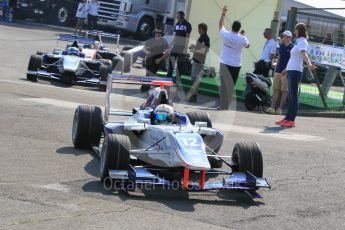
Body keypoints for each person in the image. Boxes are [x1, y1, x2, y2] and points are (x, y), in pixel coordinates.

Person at [276, 23, 316, 127]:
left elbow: (304, 54)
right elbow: (293, 58)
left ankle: (291, 120)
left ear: (300, 30)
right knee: (291, 96)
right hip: (291, 71)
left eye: (295, 29)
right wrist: (286, 69)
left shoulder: (302, 42)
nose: (294, 31)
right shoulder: (298, 42)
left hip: (296, 72)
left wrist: (310, 64)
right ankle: (287, 118)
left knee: (293, 96)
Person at [218, 5, 250, 110]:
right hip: (236, 65)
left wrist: (223, 13)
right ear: (239, 28)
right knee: (231, 85)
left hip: (224, 63)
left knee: (223, 85)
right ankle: (227, 104)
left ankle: (222, 104)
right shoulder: (242, 38)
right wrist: (243, 36)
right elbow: (248, 45)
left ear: (232, 26)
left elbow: (220, 25)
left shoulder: (225, 34)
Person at [266, 30, 293, 115]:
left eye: (287, 37)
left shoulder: (292, 47)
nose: (285, 38)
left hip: (286, 72)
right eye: (284, 36)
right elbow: (280, 57)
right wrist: (276, 66)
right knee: (275, 90)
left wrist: (286, 69)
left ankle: (280, 109)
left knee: (284, 91)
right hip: (278, 71)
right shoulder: (281, 46)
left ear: (290, 38)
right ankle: (272, 108)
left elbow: (292, 60)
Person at [166, 11, 192, 84]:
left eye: (178, 16)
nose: (176, 17)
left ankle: (177, 79)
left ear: (182, 16)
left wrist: (185, 48)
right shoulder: (177, 24)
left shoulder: (187, 25)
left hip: (182, 47)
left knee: (180, 64)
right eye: (176, 16)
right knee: (171, 61)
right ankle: (169, 77)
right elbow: (175, 36)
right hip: (175, 46)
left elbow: (187, 37)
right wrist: (170, 44)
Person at [188, 23, 210, 103]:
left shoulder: (205, 38)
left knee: (196, 80)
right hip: (196, 60)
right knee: (195, 79)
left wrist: (193, 50)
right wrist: (194, 47)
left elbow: (203, 51)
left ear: (202, 29)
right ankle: (193, 95)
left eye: (198, 28)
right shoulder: (202, 37)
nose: (198, 30)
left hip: (198, 62)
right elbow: (200, 48)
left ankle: (194, 96)